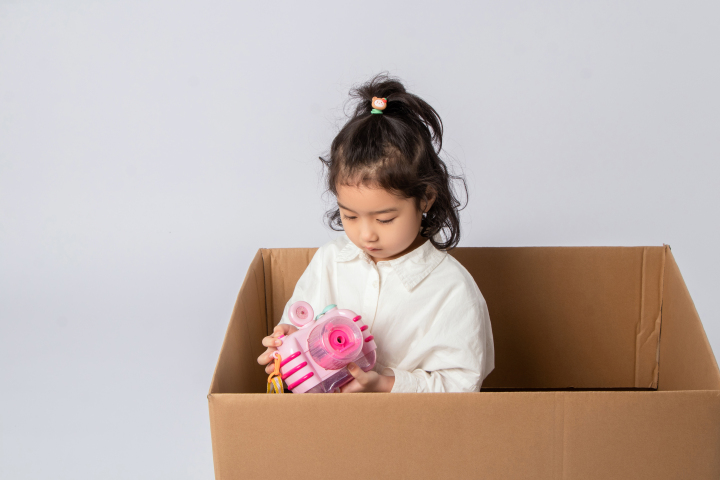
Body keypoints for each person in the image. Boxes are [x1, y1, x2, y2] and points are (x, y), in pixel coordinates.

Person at [257, 73, 494, 393]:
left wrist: (385, 384)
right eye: (350, 216)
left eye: (384, 219)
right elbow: (301, 325)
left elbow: (463, 382)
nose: (366, 235)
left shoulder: (451, 289)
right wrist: (285, 346)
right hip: (325, 427)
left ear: (425, 198)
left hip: (412, 432)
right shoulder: (330, 261)